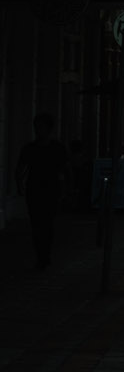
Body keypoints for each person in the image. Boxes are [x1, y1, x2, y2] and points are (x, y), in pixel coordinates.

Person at [15, 114, 68, 273]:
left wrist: (67, 188)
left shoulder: (56, 148)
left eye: (41, 127)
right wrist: (19, 184)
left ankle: (44, 254)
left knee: (47, 223)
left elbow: (65, 168)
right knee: (37, 224)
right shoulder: (30, 148)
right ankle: (42, 255)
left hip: (51, 190)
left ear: (49, 129)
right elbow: (20, 167)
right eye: (36, 127)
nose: (38, 130)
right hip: (35, 190)